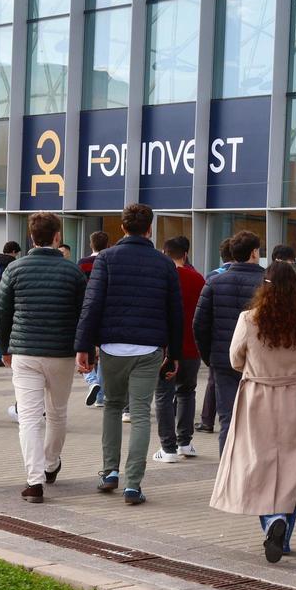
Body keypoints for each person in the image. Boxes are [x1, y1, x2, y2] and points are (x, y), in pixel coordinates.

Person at [74, 203, 184, 506]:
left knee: (112, 407)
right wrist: (174, 353)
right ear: (149, 228)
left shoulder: (106, 259)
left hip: (111, 347)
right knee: (139, 415)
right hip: (149, 349)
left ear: (122, 228)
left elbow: (92, 304)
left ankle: (110, 472)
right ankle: (133, 484)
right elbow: (176, 313)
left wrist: (84, 347)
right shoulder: (164, 265)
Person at [210, 262, 296, 563]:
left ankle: (272, 522)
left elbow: (234, 358)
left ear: (264, 285)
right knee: (294, 468)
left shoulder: (249, 318)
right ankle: (283, 534)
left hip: (258, 396)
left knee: (256, 465)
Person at [0, 212, 87, 503]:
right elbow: (83, 314)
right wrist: (85, 349)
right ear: (57, 237)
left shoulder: (15, 269)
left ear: (31, 237)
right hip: (61, 353)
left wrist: (6, 347)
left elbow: (1, 312)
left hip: (25, 352)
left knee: (30, 419)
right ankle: (50, 464)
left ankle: (34, 481)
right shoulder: (73, 272)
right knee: (57, 412)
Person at [193, 231, 265, 454]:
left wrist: (209, 356)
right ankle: (252, 473)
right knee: (257, 421)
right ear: (254, 253)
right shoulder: (268, 283)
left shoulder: (214, 282)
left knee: (227, 418)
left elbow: (199, 324)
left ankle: (226, 474)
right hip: (259, 362)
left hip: (223, 360)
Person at [153, 235, 205, 463]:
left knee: (164, 395)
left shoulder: (160, 278)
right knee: (187, 392)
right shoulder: (198, 279)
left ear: (164, 254)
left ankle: (168, 447)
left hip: (166, 348)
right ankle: (185, 442)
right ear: (186, 254)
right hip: (192, 347)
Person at [197, 237, 235, 434]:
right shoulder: (254, 278)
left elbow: (202, 315)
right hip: (241, 339)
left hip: (218, 338)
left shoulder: (213, 276)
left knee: (214, 381)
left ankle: (207, 420)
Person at [80, 231, 110, 408]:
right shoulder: (109, 261)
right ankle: (100, 396)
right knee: (104, 354)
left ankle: (92, 381)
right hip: (106, 312)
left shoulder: (82, 263)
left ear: (91, 244)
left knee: (85, 348)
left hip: (86, 310)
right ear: (107, 244)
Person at [0, 241, 22, 367]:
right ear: (13, 252)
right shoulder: (12, 265)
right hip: (6, 299)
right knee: (4, 328)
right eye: (17, 253)